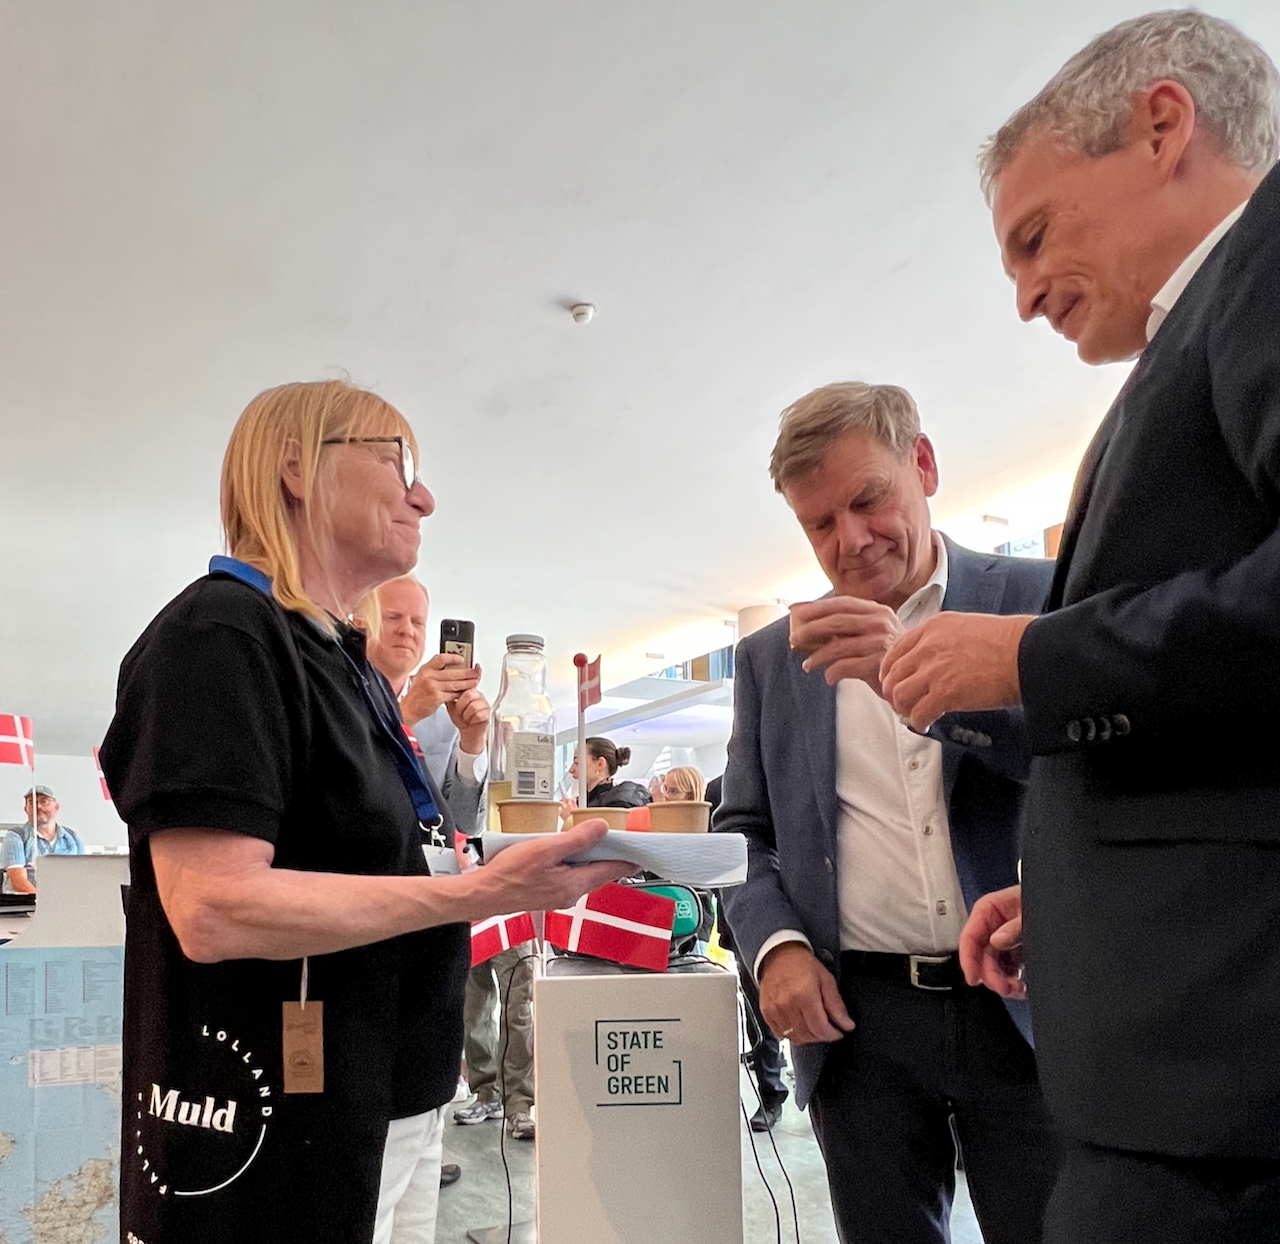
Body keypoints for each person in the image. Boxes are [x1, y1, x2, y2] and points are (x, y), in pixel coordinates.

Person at [881, 13, 1280, 1243]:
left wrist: (1025, 656)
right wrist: (1060, 889)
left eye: (1034, 237)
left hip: (1220, 1093)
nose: (1020, 299)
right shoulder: (1192, 334)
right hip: (1178, 1066)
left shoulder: (1262, 265)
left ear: (1162, 126)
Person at [99, 379, 632, 1244]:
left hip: (395, 1089)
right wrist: (480, 894)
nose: (422, 495)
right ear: (296, 467)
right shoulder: (221, 634)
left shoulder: (341, 661)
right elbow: (212, 907)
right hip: (279, 1120)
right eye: (396, 462)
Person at [715, 382, 1058, 1244]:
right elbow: (741, 832)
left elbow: (1087, 766)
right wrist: (775, 949)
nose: (850, 541)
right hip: (859, 1024)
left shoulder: (1041, 597)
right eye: (820, 524)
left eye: (868, 500)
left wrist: (920, 683)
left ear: (926, 465)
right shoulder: (772, 658)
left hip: (1029, 1004)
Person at [360, 573, 490, 1186]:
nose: (409, 632)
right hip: (370, 948)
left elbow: (458, 819)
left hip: (435, 945)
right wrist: (404, 714)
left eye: (419, 621)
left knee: (418, 1162)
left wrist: (470, 741)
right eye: (394, 618)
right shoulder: (344, 698)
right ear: (361, 619)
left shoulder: (437, 717)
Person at [708, 773, 790, 1133]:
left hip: (805, 915)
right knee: (758, 1015)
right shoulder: (718, 790)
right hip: (748, 920)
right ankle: (770, 1093)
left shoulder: (791, 775)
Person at [0, 785, 84, 895]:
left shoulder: (73, 838)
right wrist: (45, 903)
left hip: (66, 902)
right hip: (27, 906)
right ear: (26, 809)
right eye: (32, 802)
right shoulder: (16, 836)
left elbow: (83, 876)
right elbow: (18, 880)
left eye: (44, 801)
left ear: (56, 807)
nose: (38, 806)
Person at [557, 737, 651, 823]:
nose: (571, 770)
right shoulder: (584, 802)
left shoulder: (622, 802)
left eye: (577, 762)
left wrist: (572, 820)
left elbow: (608, 839)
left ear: (600, 764)